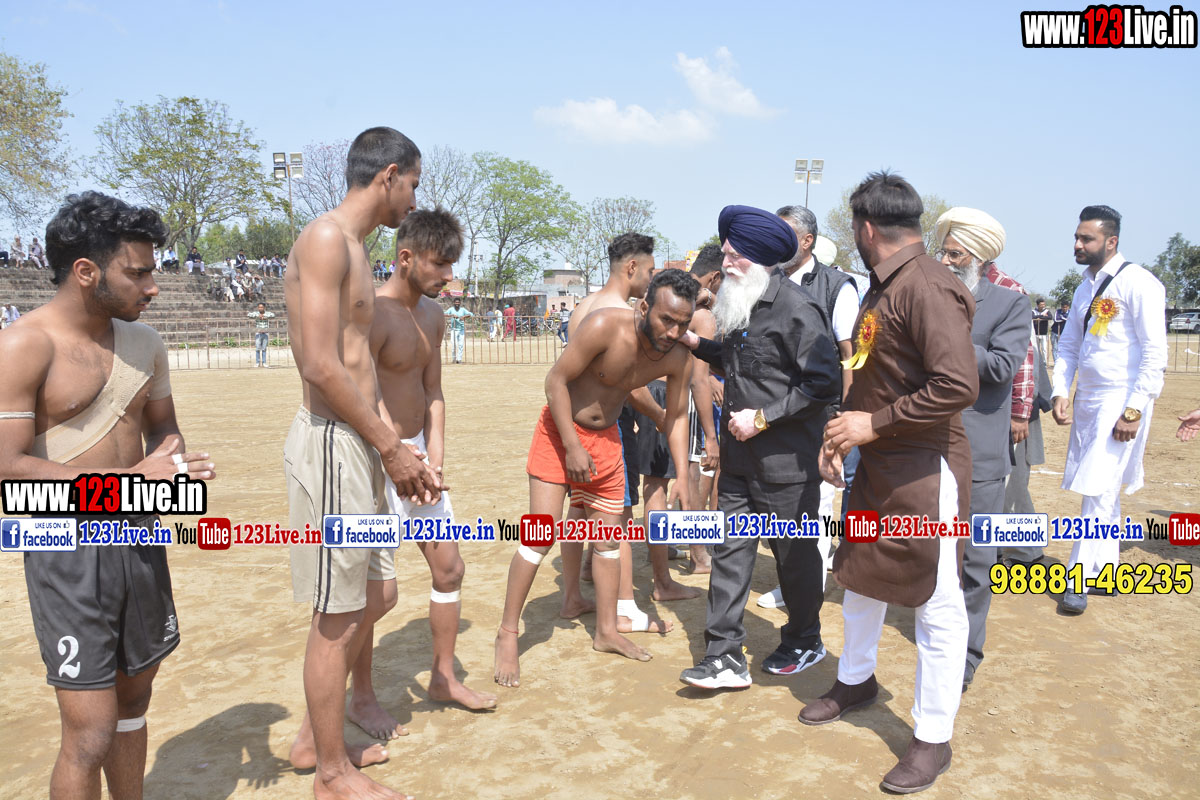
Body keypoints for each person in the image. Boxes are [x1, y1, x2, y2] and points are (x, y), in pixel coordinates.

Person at [0, 191, 217, 800]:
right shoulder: (24, 345)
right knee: (89, 734)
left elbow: (163, 428)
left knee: (135, 700)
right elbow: (8, 467)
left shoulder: (146, 343)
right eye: (138, 272)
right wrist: (128, 485)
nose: (153, 286)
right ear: (86, 271)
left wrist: (174, 463)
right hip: (65, 546)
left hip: (138, 534)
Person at [804, 172, 978, 794]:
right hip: (879, 463)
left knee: (937, 600)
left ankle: (933, 737)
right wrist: (839, 436)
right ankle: (856, 681)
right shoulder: (883, 287)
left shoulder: (928, 286)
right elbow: (868, 373)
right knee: (858, 578)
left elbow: (958, 385)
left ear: (866, 227)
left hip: (927, 468)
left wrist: (871, 426)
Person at [282, 126, 440, 800]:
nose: (414, 200)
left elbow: (359, 363)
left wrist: (395, 446)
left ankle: (314, 739)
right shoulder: (325, 238)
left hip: (362, 445)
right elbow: (320, 365)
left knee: (378, 595)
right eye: (413, 185)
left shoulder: (355, 247)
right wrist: (388, 444)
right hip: (333, 443)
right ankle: (330, 772)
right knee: (338, 613)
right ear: (389, 175)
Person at [494, 269, 699, 688]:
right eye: (666, 320)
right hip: (559, 434)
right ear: (645, 307)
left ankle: (606, 631)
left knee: (607, 541)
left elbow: (676, 418)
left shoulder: (678, 356)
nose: (673, 332)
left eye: (683, 324)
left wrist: (682, 475)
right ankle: (508, 633)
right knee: (538, 536)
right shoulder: (605, 325)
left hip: (607, 442)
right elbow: (555, 380)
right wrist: (571, 446)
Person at [677, 205, 840, 689]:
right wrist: (692, 341)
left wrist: (764, 417)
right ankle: (723, 654)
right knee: (729, 553)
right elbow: (737, 358)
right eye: (726, 253)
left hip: (786, 465)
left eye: (735, 255)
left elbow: (822, 384)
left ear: (764, 259)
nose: (726, 262)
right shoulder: (739, 302)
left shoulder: (797, 308)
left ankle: (805, 638)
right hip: (740, 462)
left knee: (794, 558)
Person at [372, 207, 497, 711]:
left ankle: (443, 678)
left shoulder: (434, 316)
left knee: (449, 569)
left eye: (451, 265)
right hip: (377, 464)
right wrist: (394, 450)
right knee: (375, 594)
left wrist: (434, 454)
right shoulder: (372, 313)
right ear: (406, 258)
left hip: (420, 459)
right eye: (440, 264)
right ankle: (359, 697)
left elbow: (433, 390)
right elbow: (364, 390)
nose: (448, 276)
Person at [1052, 205, 1167, 615]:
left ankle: (1078, 578)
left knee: (1098, 487)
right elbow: (1069, 345)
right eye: (1077, 237)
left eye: (1087, 239)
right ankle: (1106, 573)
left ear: (1111, 241)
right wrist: (1061, 391)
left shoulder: (1140, 283)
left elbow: (1154, 353)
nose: (1078, 245)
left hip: (1122, 400)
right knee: (1103, 487)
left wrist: (1133, 410)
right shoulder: (1084, 288)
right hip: (1089, 400)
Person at [933, 207, 1030, 691]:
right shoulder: (930, 297)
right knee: (933, 550)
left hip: (980, 452)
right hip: (927, 445)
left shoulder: (1010, 304)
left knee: (975, 558)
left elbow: (1002, 367)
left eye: (955, 255)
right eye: (943, 252)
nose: (945, 262)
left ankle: (966, 654)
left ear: (979, 257)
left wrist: (950, 339)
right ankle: (937, 633)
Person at [777, 203, 859, 592]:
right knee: (787, 501)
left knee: (819, 500)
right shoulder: (769, 279)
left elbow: (850, 355)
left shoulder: (837, 287)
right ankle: (795, 581)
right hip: (778, 412)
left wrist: (844, 413)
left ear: (807, 240)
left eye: (786, 235)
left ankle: (808, 588)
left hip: (821, 413)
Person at [445, 296, 473, 363]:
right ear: (454, 303)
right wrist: (451, 315)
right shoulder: (451, 309)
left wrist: (464, 316)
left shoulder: (463, 310)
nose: (457, 303)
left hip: (461, 329)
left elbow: (471, 314)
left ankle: (459, 359)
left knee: (461, 345)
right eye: (456, 302)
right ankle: (454, 359)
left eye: (458, 302)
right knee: (454, 345)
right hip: (454, 329)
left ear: (460, 303)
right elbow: (444, 314)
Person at [248, 302, 275, 367]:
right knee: (257, 348)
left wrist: (265, 317)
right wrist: (257, 316)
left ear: (264, 308)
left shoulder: (267, 313)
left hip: (265, 333)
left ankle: (264, 362)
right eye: (259, 307)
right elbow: (248, 315)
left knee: (264, 348)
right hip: (258, 333)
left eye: (262, 307)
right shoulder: (256, 313)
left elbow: (273, 315)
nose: (260, 308)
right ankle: (257, 362)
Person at [1032, 299, 1053, 364]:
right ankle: (1037, 362)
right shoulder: (1033, 311)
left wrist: (1040, 318)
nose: (1043, 306)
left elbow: (1050, 317)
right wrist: (1042, 316)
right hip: (1036, 333)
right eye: (1041, 304)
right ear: (1038, 305)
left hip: (1044, 333)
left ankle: (1044, 363)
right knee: (1036, 349)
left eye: (1044, 304)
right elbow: (1032, 317)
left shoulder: (1046, 311)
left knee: (1044, 349)